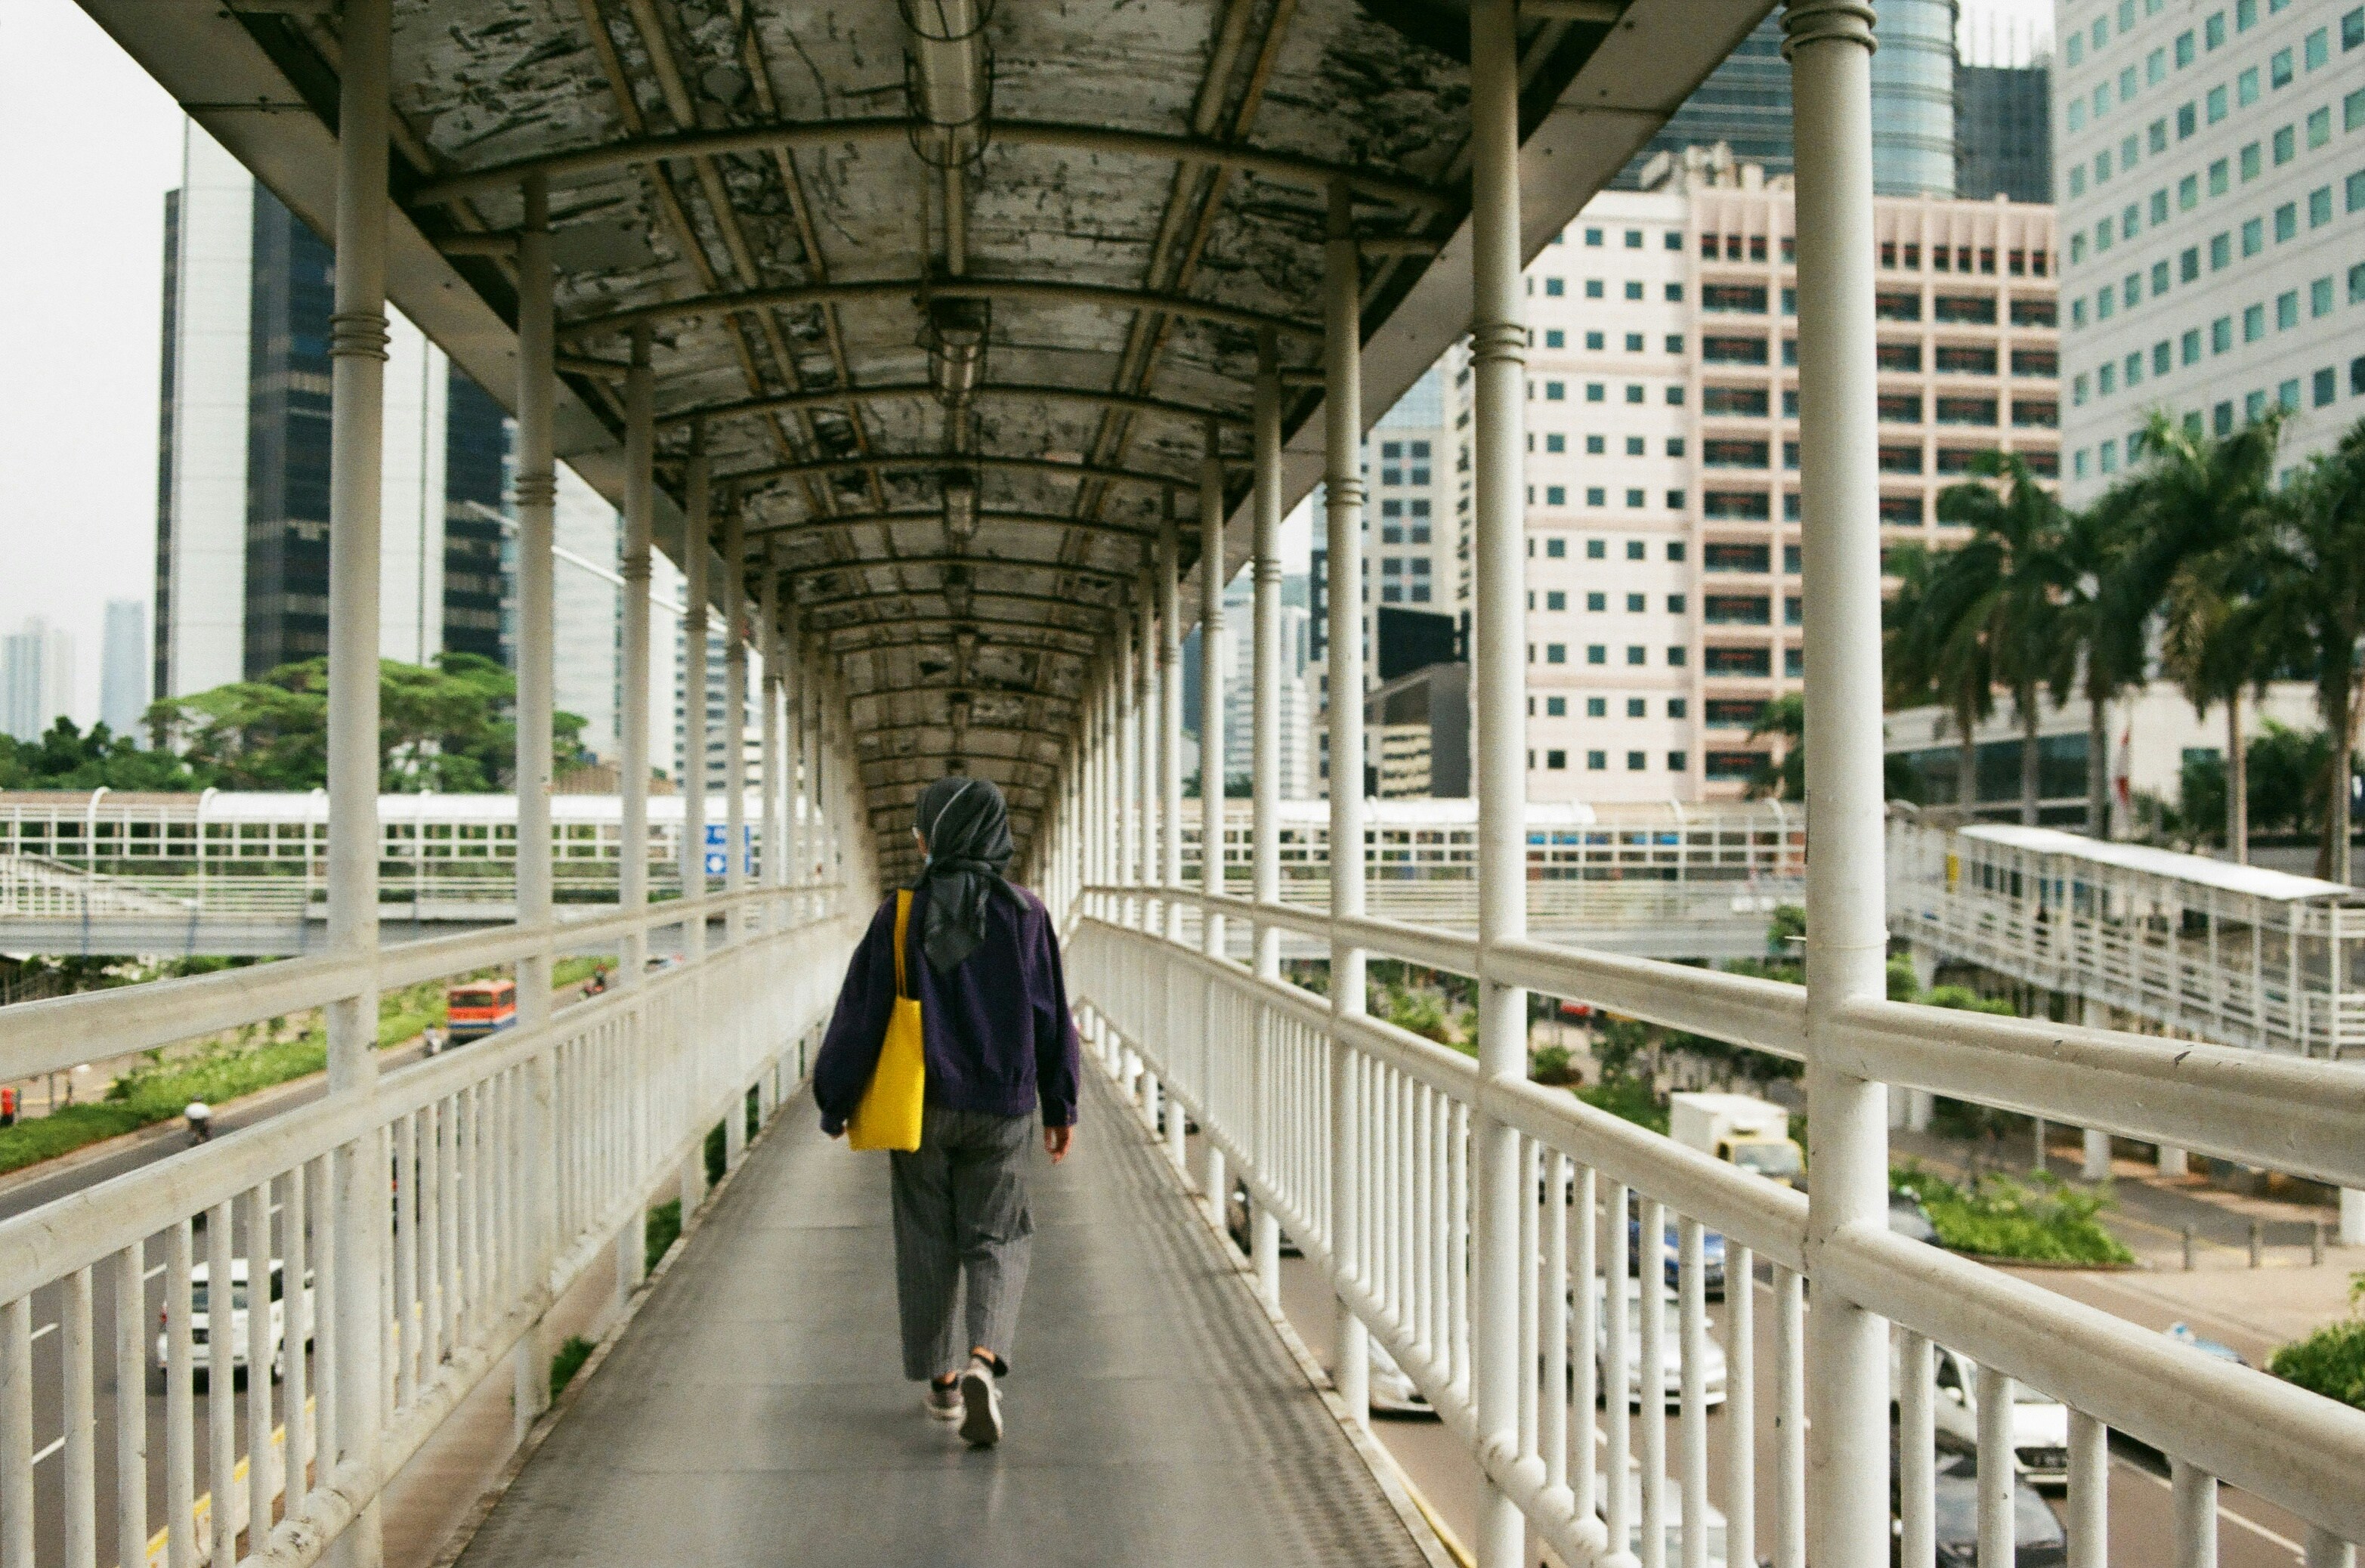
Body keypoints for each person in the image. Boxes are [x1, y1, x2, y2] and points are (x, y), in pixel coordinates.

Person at [812, 775, 1081, 1449]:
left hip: (920, 1104)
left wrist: (836, 1098)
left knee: (925, 1236)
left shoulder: (900, 914)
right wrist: (1061, 1103)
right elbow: (1052, 1014)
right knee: (1000, 1235)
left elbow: (862, 1012)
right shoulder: (1026, 914)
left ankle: (943, 1383)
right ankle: (985, 1358)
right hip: (1003, 1104)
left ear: (934, 836)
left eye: (921, 829)